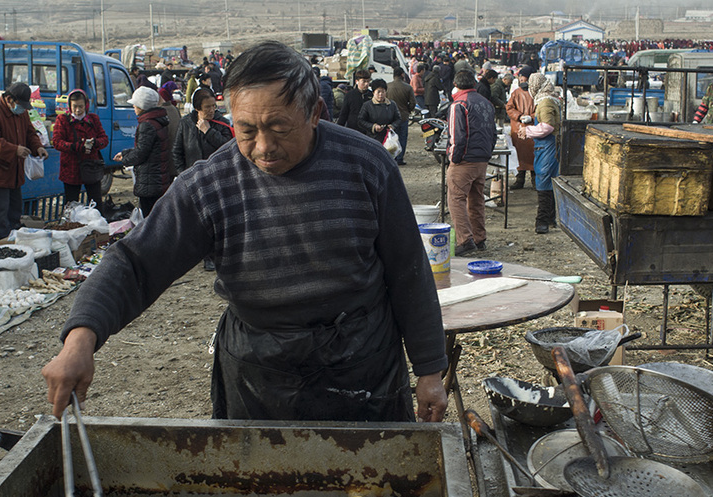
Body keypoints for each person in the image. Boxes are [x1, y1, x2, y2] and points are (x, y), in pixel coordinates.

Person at [42, 41, 448, 425]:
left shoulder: (368, 165)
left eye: (279, 127)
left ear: (315, 112)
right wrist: (81, 339)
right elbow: (135, 263)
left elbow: (408, 270)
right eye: (246, 129)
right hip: (259, 372)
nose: (263, 147)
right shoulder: (209, 184)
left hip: (362, 363)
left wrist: (430, 369)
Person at [0, 82, 49, 244]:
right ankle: (1, 246)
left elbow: (30, 132)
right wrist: (14, 150)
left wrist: (37, 147)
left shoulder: (21, 112)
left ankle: (16, 244)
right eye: (20, 105)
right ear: (9, 99)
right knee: (1, 214)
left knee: (15, 212)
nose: (22, 109)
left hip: (15, 172)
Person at [172, 87, 234, 272]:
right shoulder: (186, 124)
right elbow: (177, 152)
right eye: (207, 107)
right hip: (193, 181)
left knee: (217, 219)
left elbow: (228, 148)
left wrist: (209, 131)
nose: (211, 110)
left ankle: (215, 255)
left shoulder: (221, 123)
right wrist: (183, 175)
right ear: (197, 108)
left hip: (218, 179)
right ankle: (202, 255)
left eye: (214, 106)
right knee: (198, 221)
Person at [446, 70, 496, 256]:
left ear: (456, 85)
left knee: (456, 199)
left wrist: (454, 158)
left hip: (464, 160)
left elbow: (457, 136)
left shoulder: (458, 104)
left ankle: (465, 240)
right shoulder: (487, 103)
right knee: (476, 199)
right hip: (482, 159)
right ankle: (479, 238)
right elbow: (493, 134)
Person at [113, 86, 172, 216]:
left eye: (135, 105)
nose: (133, 108)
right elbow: (146, 147)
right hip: (158, 178)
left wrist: (125, 159)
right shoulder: (158, 121)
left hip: (150, 181)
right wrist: (125, 153)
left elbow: (141, 153)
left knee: (150, 218)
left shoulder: (147, 125)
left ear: (141, 106)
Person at [51, 89, 109, 206]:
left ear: (86, 105)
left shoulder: (93, 119)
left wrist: (95, 143)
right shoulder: (62, 120)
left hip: (91, 166)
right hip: (71, 168)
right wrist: (75, 147)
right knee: (71, 204)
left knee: (96, 202)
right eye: (75, 106)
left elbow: (104, 139)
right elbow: (57, 142)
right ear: (69, 106)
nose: (78, 110)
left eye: (81, 106)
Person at [520, 72, 561, 234]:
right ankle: (550, 218)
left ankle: (542, 221)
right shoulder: (550, 99)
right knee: (549, 183)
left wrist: (527, 131)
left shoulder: (545, 103)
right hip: (548, 147)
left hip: (547, 148)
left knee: (543, 183)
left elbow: (547, 127)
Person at [506, 66, 536, 190]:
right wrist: (519, 116)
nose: (522, 81)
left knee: (534, 156)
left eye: (524, 78)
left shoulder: (536, 94)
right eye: (521, 78)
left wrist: (532, 117)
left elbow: (542, 110)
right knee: (520, 156)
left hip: (533, 130)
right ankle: (520, 180)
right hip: (518, 129)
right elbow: (509, 108)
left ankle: (535, 181)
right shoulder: (515, 93)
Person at [386, 67, 417, 165]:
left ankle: (391, 157)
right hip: (403, 116)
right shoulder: (407, 87)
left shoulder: (387, 86)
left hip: (390, 117)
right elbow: (413, 102)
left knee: (391, 137)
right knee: (402, 138)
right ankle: (400, 158)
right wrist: (408, 110)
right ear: (402, 75)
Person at [358, 78, 403, 143]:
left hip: (388, 138)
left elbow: (398, 119)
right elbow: (360, 120)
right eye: (378, 92)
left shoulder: (392, 104)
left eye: (383, 91)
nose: (381, 94)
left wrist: (393, 126)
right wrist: (373, 127)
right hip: (372, 138)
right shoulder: (367, 105)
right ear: (373, 92)